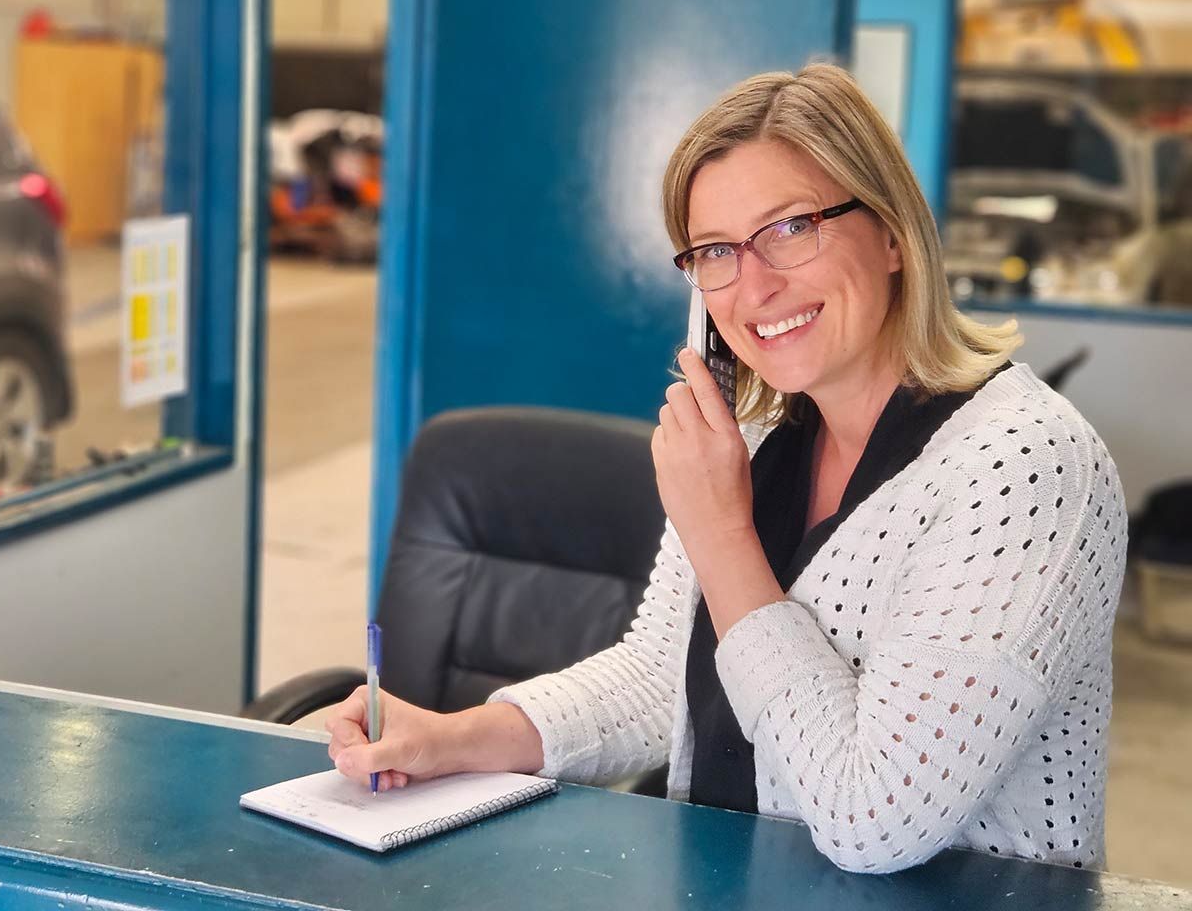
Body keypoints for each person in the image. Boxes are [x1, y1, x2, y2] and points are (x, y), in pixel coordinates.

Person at [324, 64, 1127, 874]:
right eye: (716, 251)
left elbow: (877, 818)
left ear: (891, 233)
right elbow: (657, 680)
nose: (754, 286)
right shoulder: (757, 433)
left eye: (790, 228)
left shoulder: (1025, 466)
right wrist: (455, 739)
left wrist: (722, 535)